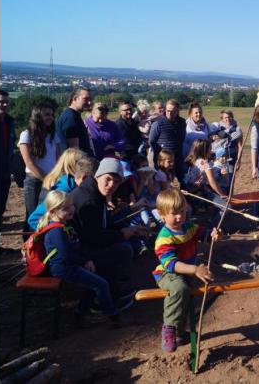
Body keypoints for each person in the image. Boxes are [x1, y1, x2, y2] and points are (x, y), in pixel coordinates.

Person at [38, 190, 131, 327]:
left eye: (72, 206)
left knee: (97, 279)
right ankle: (112, 316)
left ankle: (80, 313)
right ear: (53, 212)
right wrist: (85, 261)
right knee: (101, 284)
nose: (71, 210)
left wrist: (86, 259)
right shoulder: (56, 231)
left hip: (70, 265)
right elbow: (66, 255)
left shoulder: (65, 225)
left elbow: (76, 247)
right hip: (63, 269)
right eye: (66, 208)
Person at [152, 188, 221, 352]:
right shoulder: (164, 238)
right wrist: (195, 270)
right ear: (162, 214)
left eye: (182, 211)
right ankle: (169, 328)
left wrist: (214, 235)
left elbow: (204, 234)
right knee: (179, 289)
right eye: (174, 213)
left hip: (186, 272)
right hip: (167, 274)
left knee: (186, 299)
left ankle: (180, 333)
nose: (179, 217)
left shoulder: (188, 227)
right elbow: (171, 264)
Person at [69, 158, 143, 297]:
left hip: (83, 244)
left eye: (116, 182)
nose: (111, 185)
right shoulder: (89, 201)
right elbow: (94, 239)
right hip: (77, 252)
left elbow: (103, 224)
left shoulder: (94, 191)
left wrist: (128, 230)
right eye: (107, 179)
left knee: (131, 242)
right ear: (98, 175)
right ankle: (110, 291)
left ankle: (113, 282)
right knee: (124, 250)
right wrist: (122, 234)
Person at [18, 101, 63, 231]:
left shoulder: (53, 136)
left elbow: (59, 159)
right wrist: (45, 179)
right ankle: (29, 242)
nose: (51, 117)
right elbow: (29, 162)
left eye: (52, 115)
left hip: (52, 180)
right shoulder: (26, 135)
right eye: (47, 114)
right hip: (34, 182)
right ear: (37, 116)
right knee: (32, 215)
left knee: (47, 215)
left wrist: (55, 178)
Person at [28, 154, 95, 231]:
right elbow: (34, 219)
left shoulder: (76, 187)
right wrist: (55, 231)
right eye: (94, 181)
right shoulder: (63, 192)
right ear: (84, 178)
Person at [149, 99, 187, 181]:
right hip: (163, 161)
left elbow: (182, 138)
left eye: (173, 111)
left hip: (177, 157)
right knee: (164, 182)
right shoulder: (158, 123)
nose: (170, 113)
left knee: (181, 180)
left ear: (177, 111)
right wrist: (160, 154)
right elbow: (151, 141)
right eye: (168, 111)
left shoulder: (182, 122)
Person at [56, 87, 94, 155]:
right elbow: (74, 151)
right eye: (85, 99)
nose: (89, 102)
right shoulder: (70, 118)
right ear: (74, 98)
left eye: (90, 99)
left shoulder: (74, 115)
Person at [210, 110, 242, 174]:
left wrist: (238, 161)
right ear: (222, 119)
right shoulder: (217, 128)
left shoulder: (237, 130)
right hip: (217, 160)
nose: (228, 119)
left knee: (230, 178)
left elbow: (240, 147)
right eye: (225, 118)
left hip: (231, 160)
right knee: (217, 177)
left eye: (229, 117)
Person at [1, 90, 16, 218]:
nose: (5, 105)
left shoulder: (10, 122)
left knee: (2, 198)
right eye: (1, 102)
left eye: (6, 102)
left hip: (5, 168)